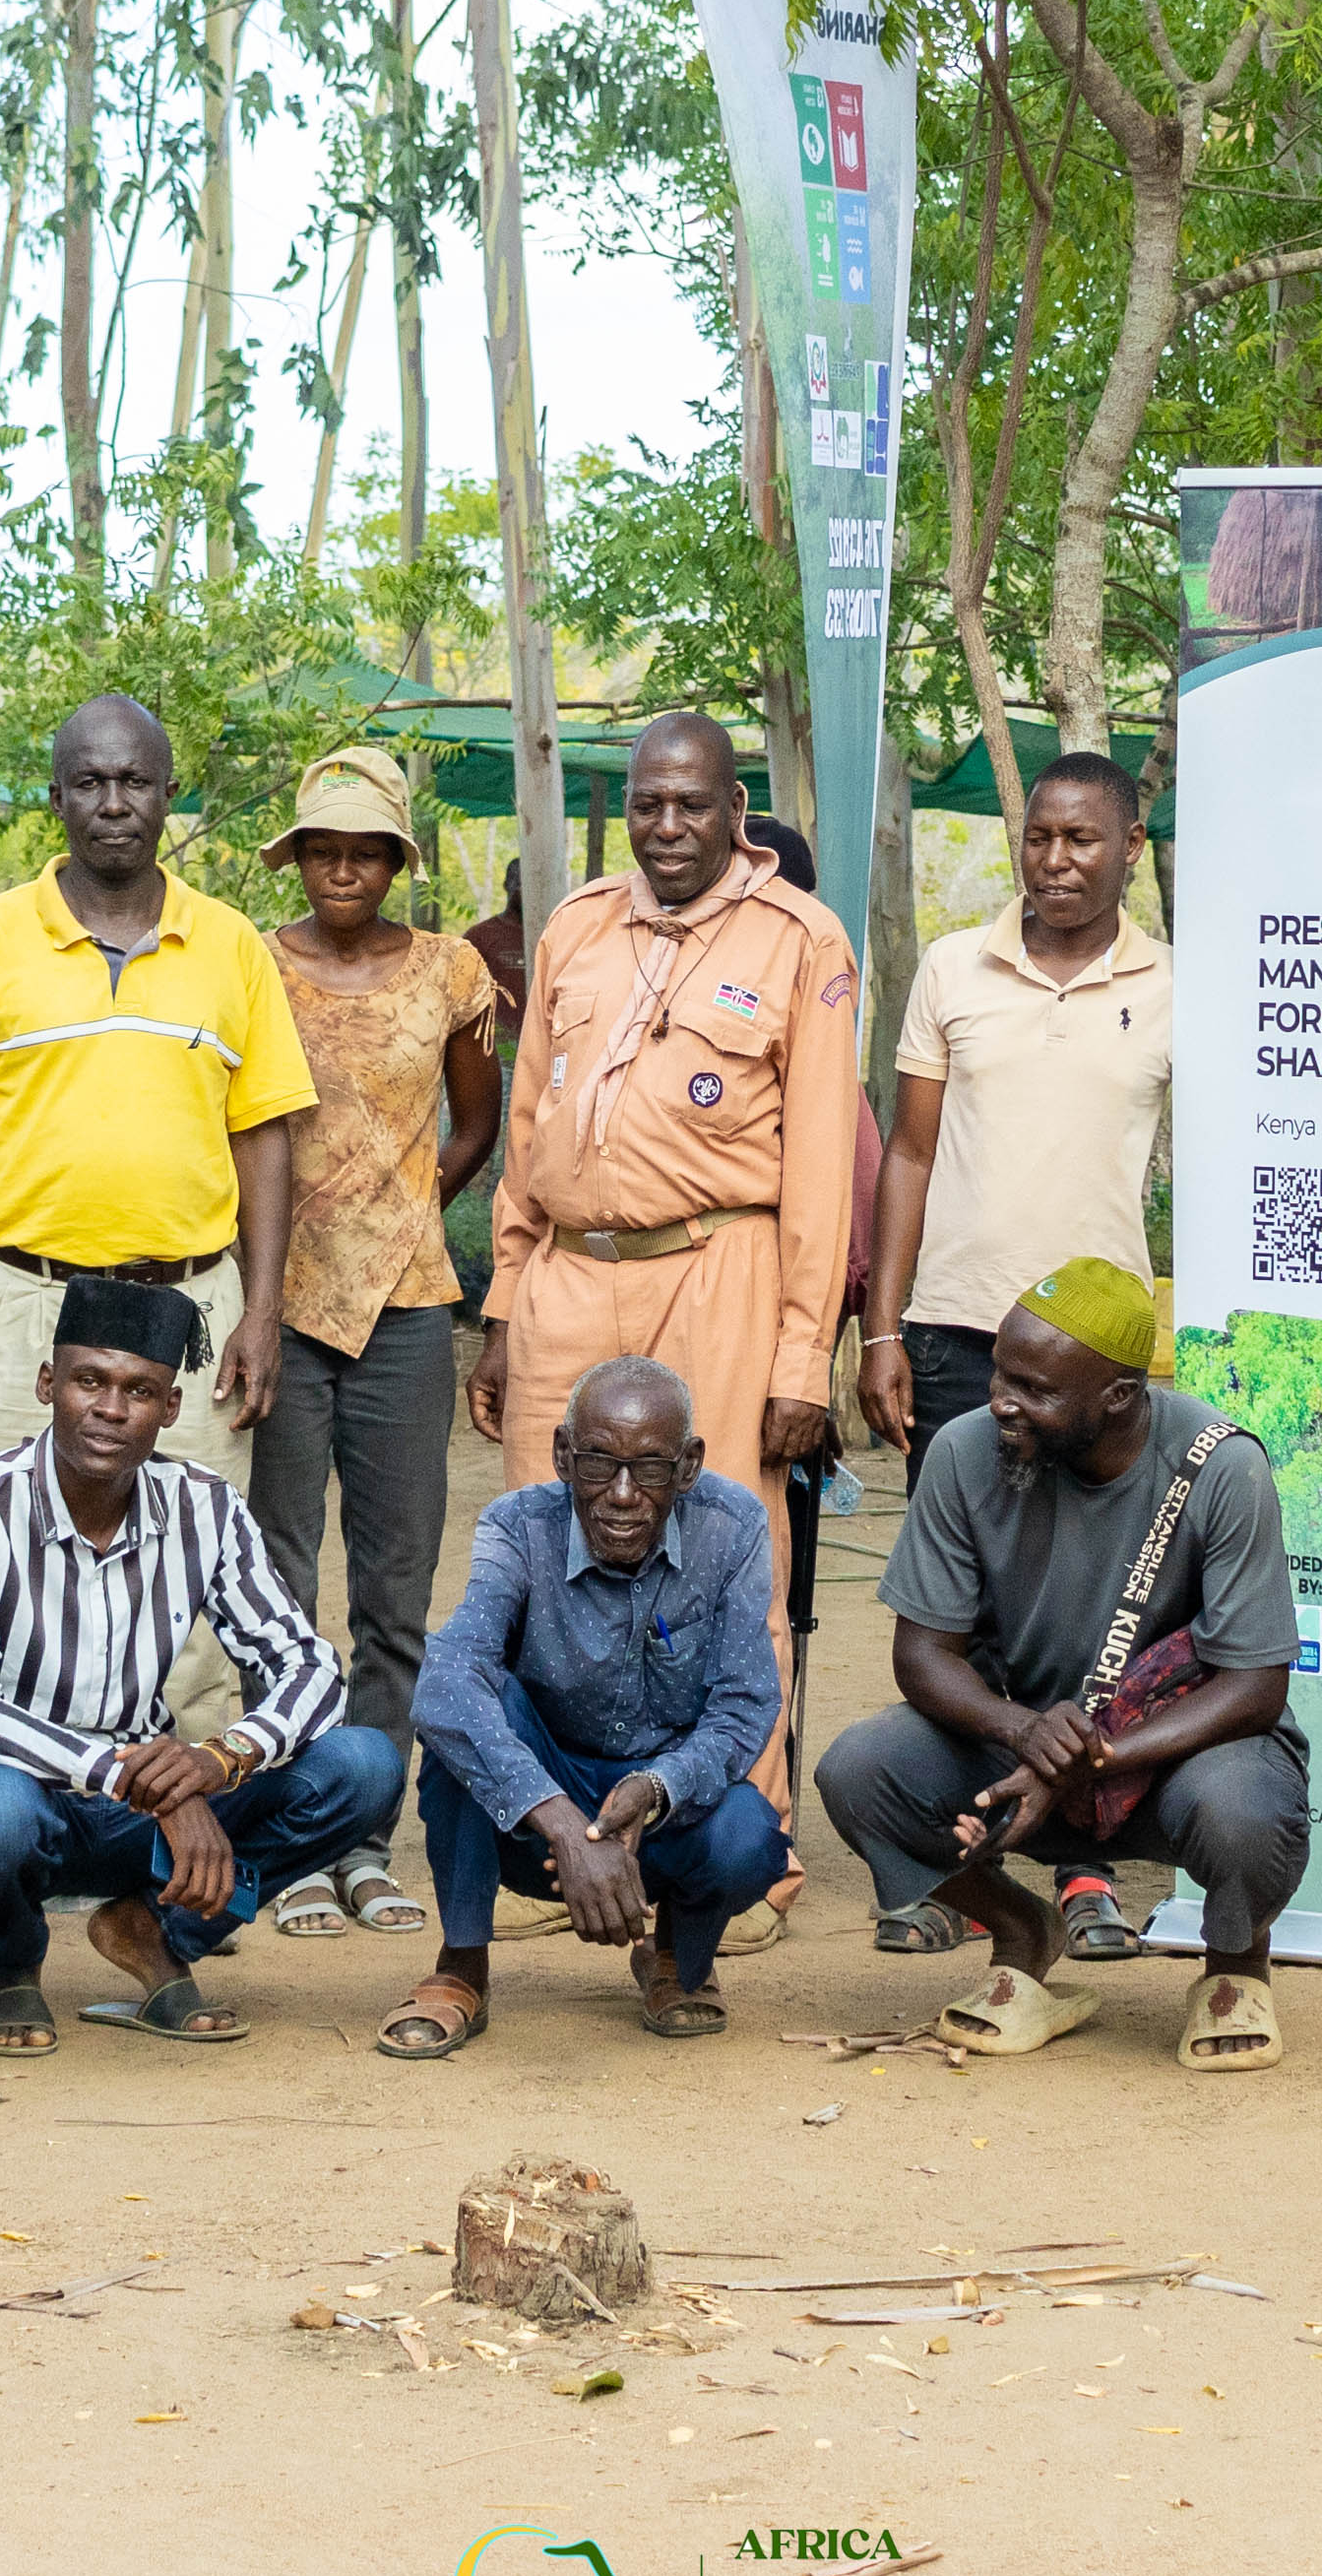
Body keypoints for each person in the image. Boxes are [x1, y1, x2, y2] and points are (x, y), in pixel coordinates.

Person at [476, 711, 861, 1924]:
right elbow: (529, 1120)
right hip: (566, 1277)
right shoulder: (576, 925)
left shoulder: (802, 938)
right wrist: (503, 1300)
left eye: (693, 804)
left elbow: (819, 1171)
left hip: (720, 1269)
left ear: (735, 807)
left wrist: (807, 1351)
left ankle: (740, 1859)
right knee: (545, 1555)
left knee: (733, 1561)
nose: (669, 826)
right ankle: (565, 1841)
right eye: (649, 804)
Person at [814, 1260, 1308, 2073]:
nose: (1001, 1400)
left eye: (1034, 1389)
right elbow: (921, 1654)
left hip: (1175, 1755)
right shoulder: (965, 1452)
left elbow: (1255, 1687)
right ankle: (1021, 1930)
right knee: (861, 1770)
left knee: (1246, 1809)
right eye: (1000, 1374)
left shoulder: (1222, 1467)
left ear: (1117, 1397)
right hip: (1024, 1748)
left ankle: (1236, 1964)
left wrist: (1098, 1756)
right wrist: (1024, 1731)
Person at [856, 749, 1171, 1962]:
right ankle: (954, 1862)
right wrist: (882, 1328)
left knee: (1095, 1618)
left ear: (1130, 846)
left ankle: (1086, 1869)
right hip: (955, 1331)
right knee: (962, 1614)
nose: (1054, 859)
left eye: (1082, 839)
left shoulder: (1174, 987)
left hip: (1096, 1357)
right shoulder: (952, 968)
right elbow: (911, 1160)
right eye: (1039, 836)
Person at [0, 1276, 405, 2052]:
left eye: (140, 1391)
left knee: (365, 1764)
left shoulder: (202, 1504)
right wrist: (136, 1777)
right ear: (48, 1385)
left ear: (170, 1410)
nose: (110, 1410)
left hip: (145, 1807)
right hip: (26, 1793)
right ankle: (13, 1963)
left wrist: (221, 1758)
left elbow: (309, 1666)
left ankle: (158, 1932)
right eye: (88, 1381)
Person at [0, 695, 314, 1482]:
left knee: (183, 1565)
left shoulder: (230, 945)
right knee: (9, 1563)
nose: (115, 803)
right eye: (90, 782)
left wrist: (262, 1315)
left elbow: (262, 1136)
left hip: (190, 1308)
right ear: (57, 799)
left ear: (167, 794)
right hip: (20, 1304)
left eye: (136, 781)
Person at [247, 743, 502, 1941]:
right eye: (324, 849)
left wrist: (408, 1204)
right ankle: (292, 1834)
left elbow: (478, 1118)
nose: (344, 869)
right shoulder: (248, 965)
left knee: (394, 1591)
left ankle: (363, 1841)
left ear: (397, 859)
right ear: (296, 857)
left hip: (405, 1310)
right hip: (277, 1306)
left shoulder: (452, 970)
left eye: (367, 850)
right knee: (280, 1582)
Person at [380, 1355, 792, 2056]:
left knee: (750, 1837)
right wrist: (567, 1828)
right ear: (563, 1455)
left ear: (689, 1467)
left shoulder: (733, 1525)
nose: (623, 1494)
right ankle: (462, 1965)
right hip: (540, 1813)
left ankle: (673, 1957)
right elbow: (447, 1683)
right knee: (472, 1707)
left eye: (652, 1468)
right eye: (599, 1462)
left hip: (660, 1810)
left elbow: (745, 1703)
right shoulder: (517, 1525)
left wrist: (657, 1786)